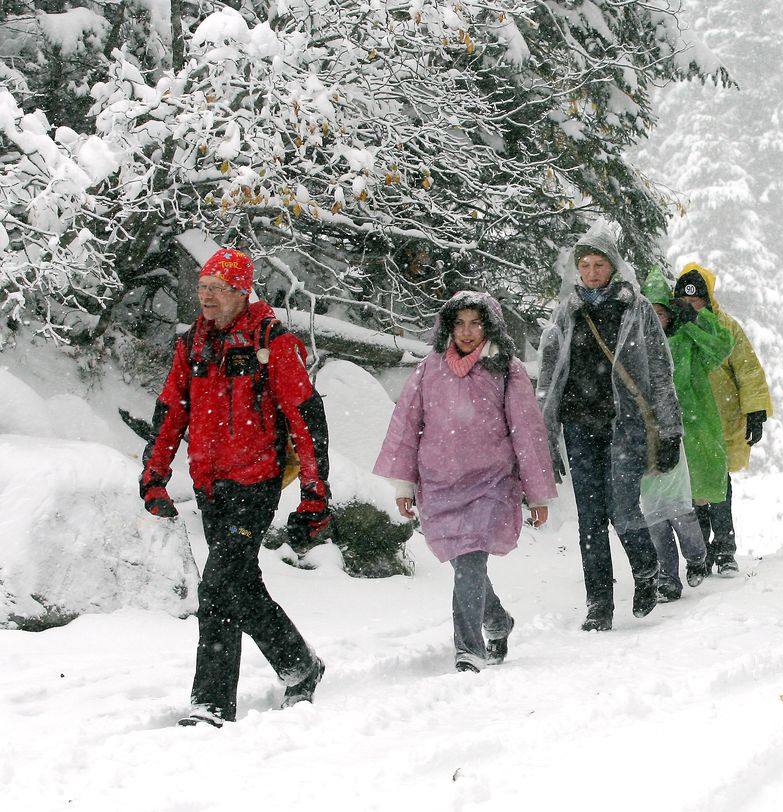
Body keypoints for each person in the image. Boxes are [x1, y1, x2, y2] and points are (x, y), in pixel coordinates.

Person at [140, 248, 330, 727]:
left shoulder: (272, 341)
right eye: (203, 287)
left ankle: (211, 705)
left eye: (217, 288)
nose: (206, 297)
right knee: (241, 584)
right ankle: (299, 665)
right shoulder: (193, 344)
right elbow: (171, 412)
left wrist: (314, 493)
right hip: (210, 483)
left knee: (218, 587)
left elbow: (305, 418)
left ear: (242, 293)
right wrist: (154, 474)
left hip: (256, 482)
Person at [374, 291, 555, 672]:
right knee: (464, 567)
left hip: (490, 482)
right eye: (459, 324)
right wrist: (404, 485)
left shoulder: (507, 369)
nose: (467, 332)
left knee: (471, 562)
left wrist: (537, 493)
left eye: (475, 323)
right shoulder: (429, 369)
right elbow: (406, 426)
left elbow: (527, 431)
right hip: (439, 484)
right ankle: (497, 621)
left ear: (489, 327)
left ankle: (468, 650)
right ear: (448, 327)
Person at [537, 226, 682, 631]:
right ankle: (599, 602)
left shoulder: (635, 310)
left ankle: (645, 568)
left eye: (599, 264)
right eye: (585, 265)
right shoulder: (565, 312)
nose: (592, 272)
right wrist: (545, 439)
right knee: (589, 517)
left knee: (621, 507)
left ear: (614, 267)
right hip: (578, 425)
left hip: (625, 425)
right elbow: (548, 379)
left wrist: (670, 430)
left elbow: (660, 371)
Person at [673, 263, 773, 576]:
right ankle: (701, 552)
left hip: (721, 421)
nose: (690, 305)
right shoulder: (673, 328)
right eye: (684, 300)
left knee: (719, 486)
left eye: (697, 299)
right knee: (693, 492)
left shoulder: (725, 327)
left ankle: (725, 548)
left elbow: (747, 369)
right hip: (689, 424)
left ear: (708, 298)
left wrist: (755, 410)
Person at [641, 267, 734, 601]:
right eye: (648, 311)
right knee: (654, 509)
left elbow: (724, 346)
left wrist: (694, 321)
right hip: (648, 437)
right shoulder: (633, 347)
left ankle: (700, 555)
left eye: (661, 311)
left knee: (684, 504)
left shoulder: (687, 340)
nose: (655, 318)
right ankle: (668, 575)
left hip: (691, 430)